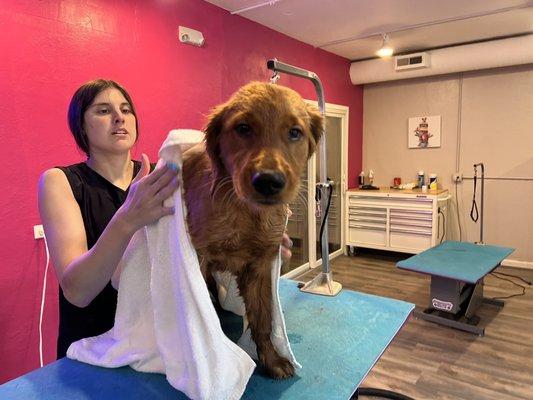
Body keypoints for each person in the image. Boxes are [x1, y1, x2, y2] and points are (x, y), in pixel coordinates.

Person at [38, 79, 293, 359]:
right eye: (102, 110)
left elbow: (191, 256)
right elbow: (77, 291)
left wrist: (252, 246)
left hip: (161, 342)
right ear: (81, 126)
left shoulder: (165, 176)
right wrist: (127, 219)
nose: (119, 117)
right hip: (95, 346)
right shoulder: (60, 182)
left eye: (126, 109)